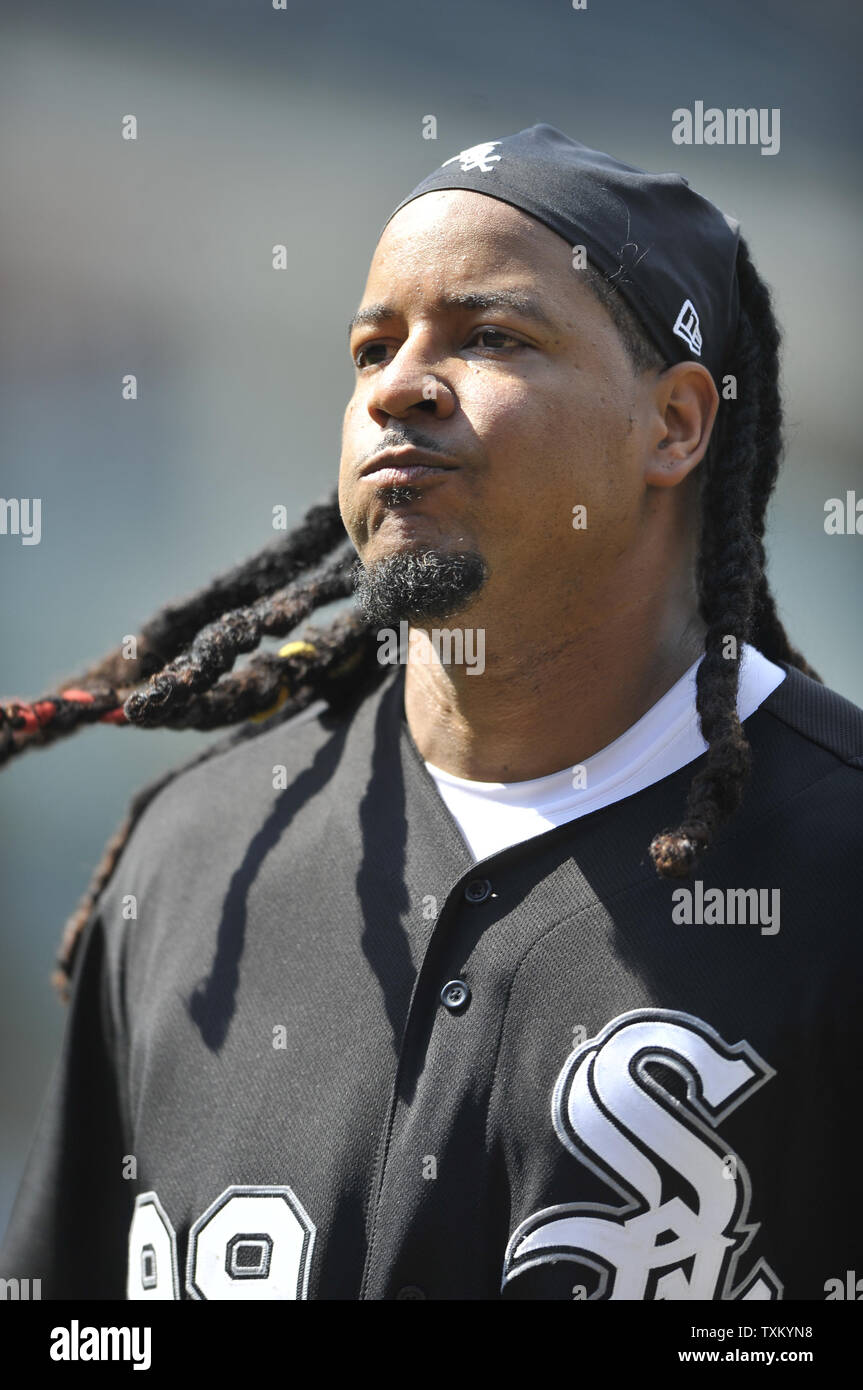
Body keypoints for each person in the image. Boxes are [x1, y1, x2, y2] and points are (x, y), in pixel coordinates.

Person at [1, 125, 861, 1302]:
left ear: (673, 425)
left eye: (488, 336)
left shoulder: (836, 863)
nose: (397, 386)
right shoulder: (199, 858)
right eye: (370, 350)